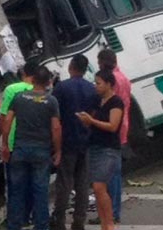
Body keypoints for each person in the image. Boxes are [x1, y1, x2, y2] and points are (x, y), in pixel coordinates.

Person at [2, 66, 62, 230]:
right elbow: (56, 128)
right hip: (41, 152)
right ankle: (41, 225)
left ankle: (14, 225)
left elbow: (7, 122)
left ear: (33, 80)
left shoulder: (18, 97)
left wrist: (5, 145)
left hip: (20, 149)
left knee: (16, 190)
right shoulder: (51, 101)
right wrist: (57, 150)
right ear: (48, 82)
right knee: (40, 190)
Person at [51, 55, 97, 230]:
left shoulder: (61, 88)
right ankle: (79, 221)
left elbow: (55, 117)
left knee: (64, 182)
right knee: (83, 184)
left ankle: (60, 220)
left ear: (71, 67)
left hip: (66, 141)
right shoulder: (92, 89)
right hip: (85, 141)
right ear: (85, 70)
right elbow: (93, 114)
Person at [76, 70, 124, 230]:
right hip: (94, 146)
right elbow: (94, 121)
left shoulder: (116, 102)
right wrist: (86, 121)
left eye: (98, 83)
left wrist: (92, 121)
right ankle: (104, 223)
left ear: (109, 84)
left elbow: (112, 126)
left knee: (99, 186)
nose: (96, 86)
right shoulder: (98, 101)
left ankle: (110, 222)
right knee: (97, 188)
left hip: (109, 149)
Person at [0, 62, 37, 226]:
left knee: (15, 185)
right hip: (36, 143)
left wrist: (4, 142)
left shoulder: (11, 90)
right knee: (32, 183)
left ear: (23, 73)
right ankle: (29, 217)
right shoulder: (42, 91)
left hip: (14, 143)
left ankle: (14, 220)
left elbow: (3, 117)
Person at [95, 49, 131, 224]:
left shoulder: (112, 82)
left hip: (111, 128)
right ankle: (113, 211)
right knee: (115, 172)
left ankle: (112, 212)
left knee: (109, 176)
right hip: (122, 125)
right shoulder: (124, 77)